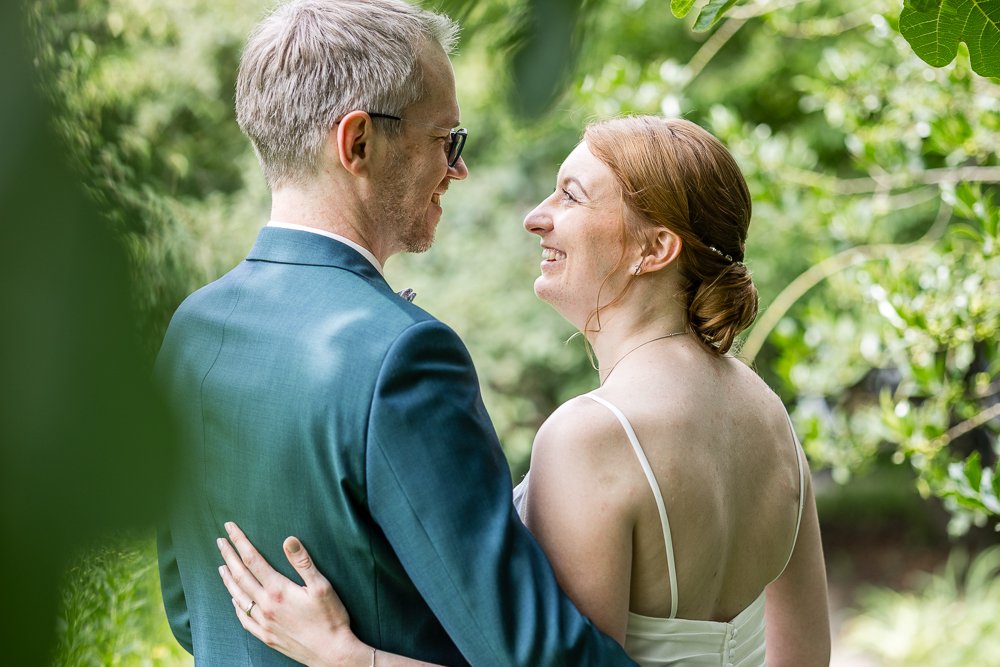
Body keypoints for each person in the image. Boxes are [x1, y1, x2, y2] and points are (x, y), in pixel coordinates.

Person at [215, 116, 833, 667]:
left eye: (571, 195)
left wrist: (345, 657)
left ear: (655, 248)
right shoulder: (769, 414)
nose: (535, 216)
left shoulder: (592, 435)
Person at [155, 0, 639, 665]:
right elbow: (532, 656)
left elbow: (190, 610)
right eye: (447, 140)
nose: (458, 169)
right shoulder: (403, 357)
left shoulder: (189, 331)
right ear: (359, 143)